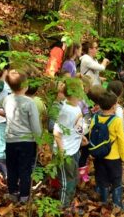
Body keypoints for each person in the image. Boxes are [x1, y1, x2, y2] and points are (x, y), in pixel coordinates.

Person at [2, 70, 43, 203]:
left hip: (10, 140)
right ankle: (24, 196)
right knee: (25, 168)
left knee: (12, 167)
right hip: (26, 142)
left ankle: (12, 192)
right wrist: (39, 140)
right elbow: (35, 125)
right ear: (25, 86)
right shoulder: (29, 102)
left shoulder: (7, 99)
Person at [91, 90, 124, 209]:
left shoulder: (95, 118)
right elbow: (121, 140)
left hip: (99, 156)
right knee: (116, 179)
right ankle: (117, 203)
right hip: (114, 157)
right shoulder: (116, 121)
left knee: (102, 178)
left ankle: (104, 202)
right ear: (114, 106)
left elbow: (92, 135)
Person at [53, 78, 85, 211]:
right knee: (66, 180)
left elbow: (76, 125)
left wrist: (81, 136)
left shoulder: (75, 106)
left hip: (74, 149)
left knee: (73, 177)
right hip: (65, 152)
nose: (84, 90)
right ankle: (63, 206)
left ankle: (70, 201)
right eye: (82, 88)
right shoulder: (65, 110)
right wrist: (61, 152)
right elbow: (56, 132)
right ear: (75, 92)